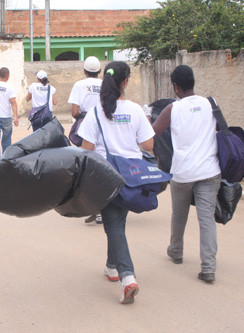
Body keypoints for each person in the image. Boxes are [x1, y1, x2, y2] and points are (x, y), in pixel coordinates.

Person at [78, 61, 155, 304]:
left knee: (114, 225)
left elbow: (86, 149)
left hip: (104, 176)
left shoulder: (96, 112)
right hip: (130, 176)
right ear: (125, 82)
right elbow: (149, 146)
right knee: (116, 221)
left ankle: (127, 277)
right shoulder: (135, 110)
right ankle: (112, 267)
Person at [152, 65, 221, 283]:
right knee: (206, 219)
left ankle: (176, 251)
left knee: (179, 214)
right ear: (192, 82)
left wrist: (145, 115)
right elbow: (219, 130)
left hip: (183, 172)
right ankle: (208, 268)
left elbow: (151, 133)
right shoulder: (210, 103)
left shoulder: (172, 109)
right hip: (210, 170)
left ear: (175, 86)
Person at [68, 56, 103, 223]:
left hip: (86, 129)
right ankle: (100, 207)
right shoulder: (106, 85)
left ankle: (95, 207)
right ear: (100, 71)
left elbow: (74, 112)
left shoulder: (79, 85)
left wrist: (83, 115)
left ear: (84, 71)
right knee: (103, 165)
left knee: (87, 166)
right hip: (104, 128)